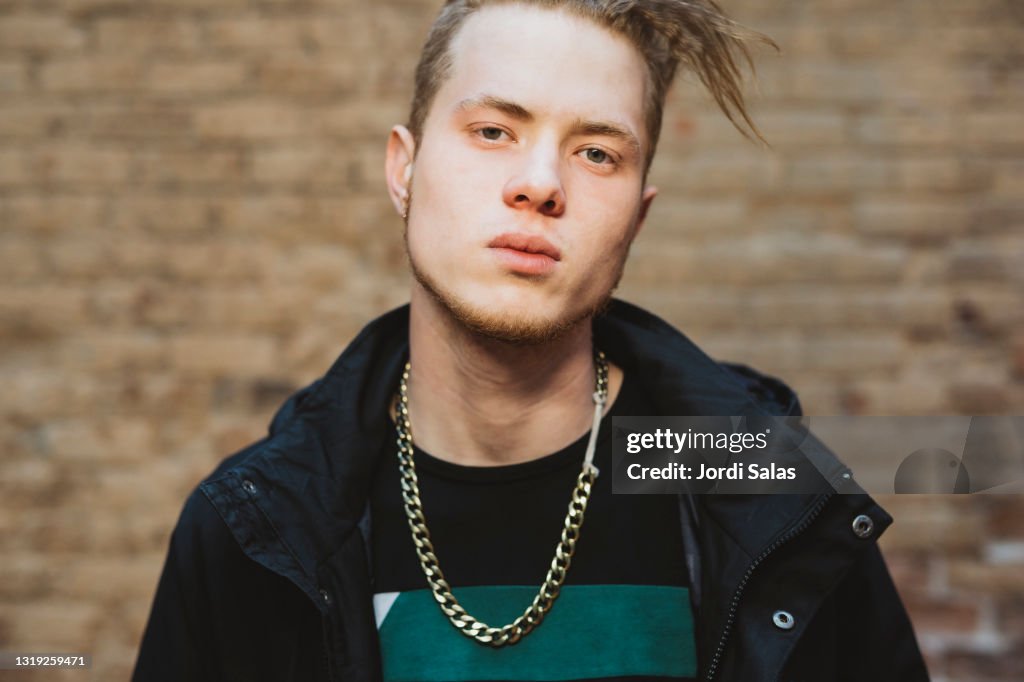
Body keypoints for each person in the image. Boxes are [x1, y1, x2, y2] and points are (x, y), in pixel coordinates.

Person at [132, 1, 930, 680]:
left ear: (637, 218)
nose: (542, 183)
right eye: (492, 131)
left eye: (596, 153)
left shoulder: (767, 490)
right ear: (402, 171)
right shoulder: (255, 528)